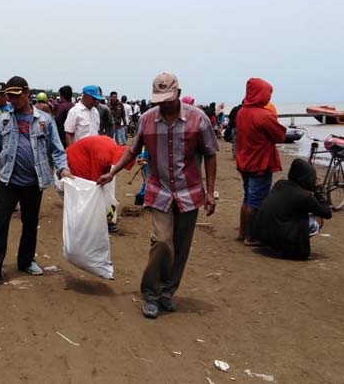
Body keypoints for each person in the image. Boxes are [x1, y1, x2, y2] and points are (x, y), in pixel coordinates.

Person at [97, 73, 218, 319]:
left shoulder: (198, 119)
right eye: (159, 100)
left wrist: (210, 192)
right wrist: (112, 172)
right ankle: (151, 293)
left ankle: (168, 292)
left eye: (168, 99)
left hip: (190, 191)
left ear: (179, 94)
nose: (163, 104)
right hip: (160, 190)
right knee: (162, 242)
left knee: (181, 246)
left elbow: (210, 154)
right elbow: (132, 151)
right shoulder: (147, 120)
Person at [0, 76, 72, 282]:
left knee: (30, 222)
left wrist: (63, 169)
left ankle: (26, 261)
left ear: (27, 94)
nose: (12, 100)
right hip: (7, 180)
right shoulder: (3, 120)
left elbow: (57, 149)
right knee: (0, 223)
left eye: (16, 96)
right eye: (10, 97)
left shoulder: (45, 121)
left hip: (33, 182)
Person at [235, 78, 286, 247]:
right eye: (268, 93)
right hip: (260, 162)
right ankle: (252, 236)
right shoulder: (264, 115)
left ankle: (243, 232)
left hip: (245, 161)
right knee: (256, 201)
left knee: (248, 197)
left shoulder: (242, 112)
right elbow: (280, 136)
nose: (269, 97)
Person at [252, 159, 332, 260]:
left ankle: (277, 244)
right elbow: (327, 213)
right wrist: (317, 190)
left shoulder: (280, 184)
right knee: (318, 218)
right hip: (283, 235)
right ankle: (293, 246)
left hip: (264, 236)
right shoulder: (304, 196)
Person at [66, 135, 133, 233]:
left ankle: (101, 219)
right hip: (75, 159)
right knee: (86, 190)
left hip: (83, 155)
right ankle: (88, 221)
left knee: (104, 191)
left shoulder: (111, 147)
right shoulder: (103, 156)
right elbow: (95, 182)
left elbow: (105, 171)